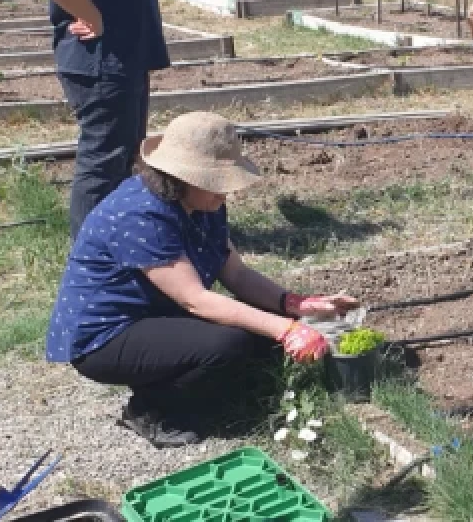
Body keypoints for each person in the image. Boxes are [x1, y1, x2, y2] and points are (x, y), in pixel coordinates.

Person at [45, 112, 360, 448]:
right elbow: (195, 299)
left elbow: (235, 273)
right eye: (216, 182)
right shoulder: (139, 214)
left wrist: (295, 305)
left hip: (153, 313)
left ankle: (214, 392)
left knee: (262, 338)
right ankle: (149, 410)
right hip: (107, 334)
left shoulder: (203, 203)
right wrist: (287, 330)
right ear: (181, 176)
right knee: (228, 345)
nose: (224, 193)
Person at [45, 0, 172, 238]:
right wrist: (95, 19)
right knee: (102, 160)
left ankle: (113, 234)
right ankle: (90, 246)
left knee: (121, 154)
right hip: (101, 66)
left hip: (122, 62)